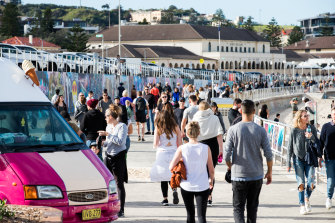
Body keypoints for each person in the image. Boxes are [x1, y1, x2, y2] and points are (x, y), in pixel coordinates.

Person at [224, 99, 273, 223]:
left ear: (241, 111)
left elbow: (226, 155)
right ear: (254, 112)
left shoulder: (233, 129)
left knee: (238, 208)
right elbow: (268, 154)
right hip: (256, 175)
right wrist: (269, 172)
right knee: (252, 209)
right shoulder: (261, 130)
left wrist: (230, 166)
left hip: (238, 175)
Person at [169, 121, 214, 223]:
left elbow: (171, 166)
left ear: (186, 133)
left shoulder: (182, 148)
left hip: (186, 185)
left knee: (190, 215)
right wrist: (211, 180)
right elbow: (211, 169)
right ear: (199, 133)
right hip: (202, 185)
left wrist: (180, 162)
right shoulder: (206, 148)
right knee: (202, 216)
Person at [287, 110, 320, 215]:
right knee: (301, 183)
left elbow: (317, 143)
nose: (307, 117)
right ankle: (302, 205)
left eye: (307, 116)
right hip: (298, 160)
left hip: (309, 159)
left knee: (311, 184)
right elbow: (289, 148)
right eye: (305, 116)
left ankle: (306, 199)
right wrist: (288, 163)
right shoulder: (294, 130)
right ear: (299, 118)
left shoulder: (311, 128)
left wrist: (312, 137)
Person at [99, 106, 128, 217]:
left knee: (119, 183)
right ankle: (107, 207)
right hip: (108, 156)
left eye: (106, 116)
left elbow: (120, 142)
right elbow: (109, 142)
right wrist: (103, 143)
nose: (105, 119)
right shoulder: (108, 126)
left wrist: (108, 135)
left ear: (111, 116)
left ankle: (121, 209)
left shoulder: (122, 126)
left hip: (118, 156)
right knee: (106, 182)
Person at [193, 101, 223, 206]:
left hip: (199, 145)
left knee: (201, 171)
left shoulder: (195, 118)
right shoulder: (214, 118)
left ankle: (202, 194)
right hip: (213, 145)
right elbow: (219, 135)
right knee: (211, 171)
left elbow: (192, 134)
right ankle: (209, 196)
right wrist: (221, 149)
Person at [150, 110, 182, 206]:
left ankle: (165, 199)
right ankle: (174, 189)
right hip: (173, 153)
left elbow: (155, 144)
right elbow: (180, 143)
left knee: (163, 177)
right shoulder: (176, 127)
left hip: (162, 153)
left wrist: (157, 145)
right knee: (172, 174)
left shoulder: (158, 128)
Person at [319, 107, 335, 210]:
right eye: (334, 114)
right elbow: (321, 142)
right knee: (331, 180)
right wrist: (319, 156)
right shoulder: (326, 126)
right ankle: (329, 198)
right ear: (331, 115)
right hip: (329, 158)